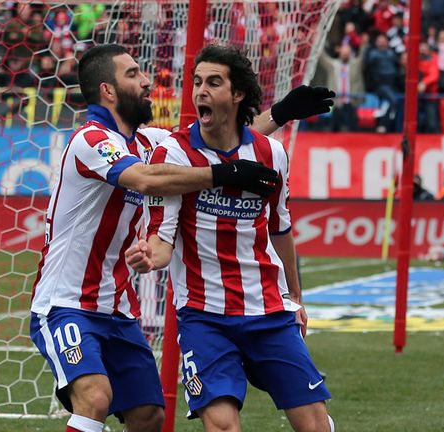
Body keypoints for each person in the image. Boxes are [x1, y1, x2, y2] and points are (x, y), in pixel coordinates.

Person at [29, 43, 334, 432]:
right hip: (66, 302)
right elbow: (147, 178)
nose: (146, 82)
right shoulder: (92, 141)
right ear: (108, 91)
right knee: (95, 397)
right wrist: (222, 176)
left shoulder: (146, 143)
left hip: (118, 307)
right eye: (134, 74)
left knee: (149, 416)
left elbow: (214, 144)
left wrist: (280, 114)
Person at [125, 45, 334, 432]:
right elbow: (162, 236)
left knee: (316, 425)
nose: (201, 91)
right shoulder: (171, 153)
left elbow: (281, 230)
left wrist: (296, 298)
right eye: (198, 82)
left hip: (269, 310)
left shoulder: (272, 153)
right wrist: (149, 255)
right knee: (222, 425)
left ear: (237, 94)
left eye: (214, 83)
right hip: (205, 316)